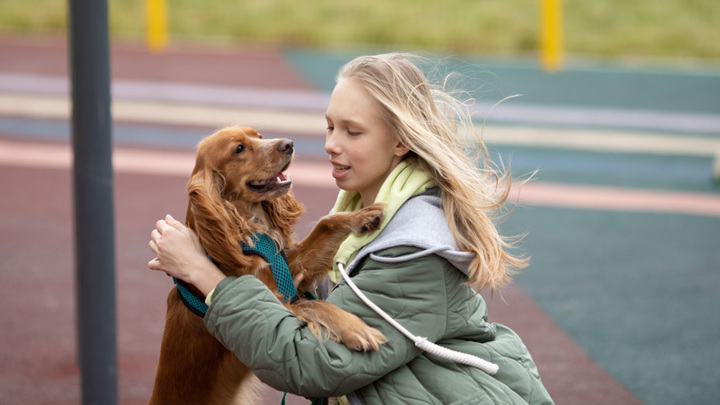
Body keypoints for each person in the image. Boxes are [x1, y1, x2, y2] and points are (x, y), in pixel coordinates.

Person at [148, 53, 554, 405]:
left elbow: (313, 366)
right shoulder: (367, 217)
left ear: (400, 142)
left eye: (352, 131)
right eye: (330, 127)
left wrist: (203, 275)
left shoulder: (414, 246)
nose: (330, 144)